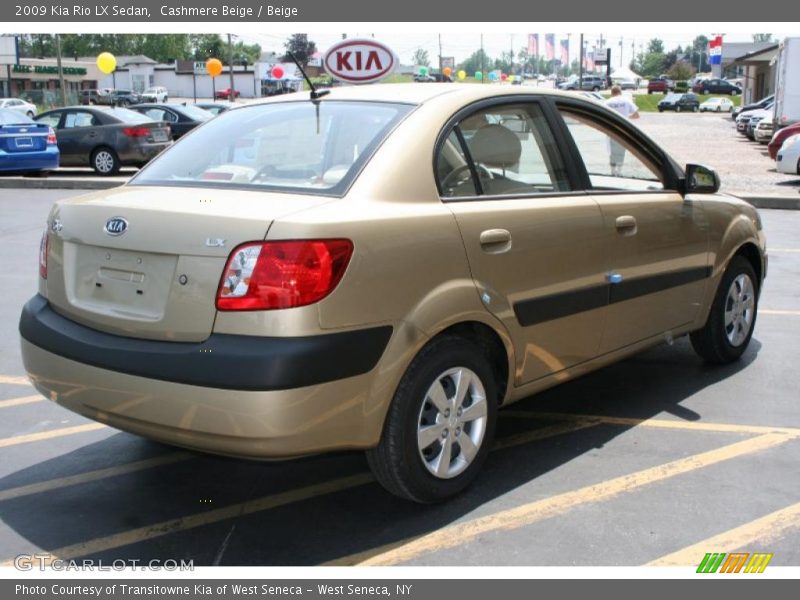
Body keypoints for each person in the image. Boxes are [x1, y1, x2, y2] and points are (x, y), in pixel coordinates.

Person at [604, 85, 639, 176]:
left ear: (612, 93)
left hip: (612, 130)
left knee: (612, 151)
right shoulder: (627, 101)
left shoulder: (607, 102)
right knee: (621, 150)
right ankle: (619, 171)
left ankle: (612, 171)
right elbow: (636, 115)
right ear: (620, 92)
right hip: (623, 129)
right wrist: (627, 117)